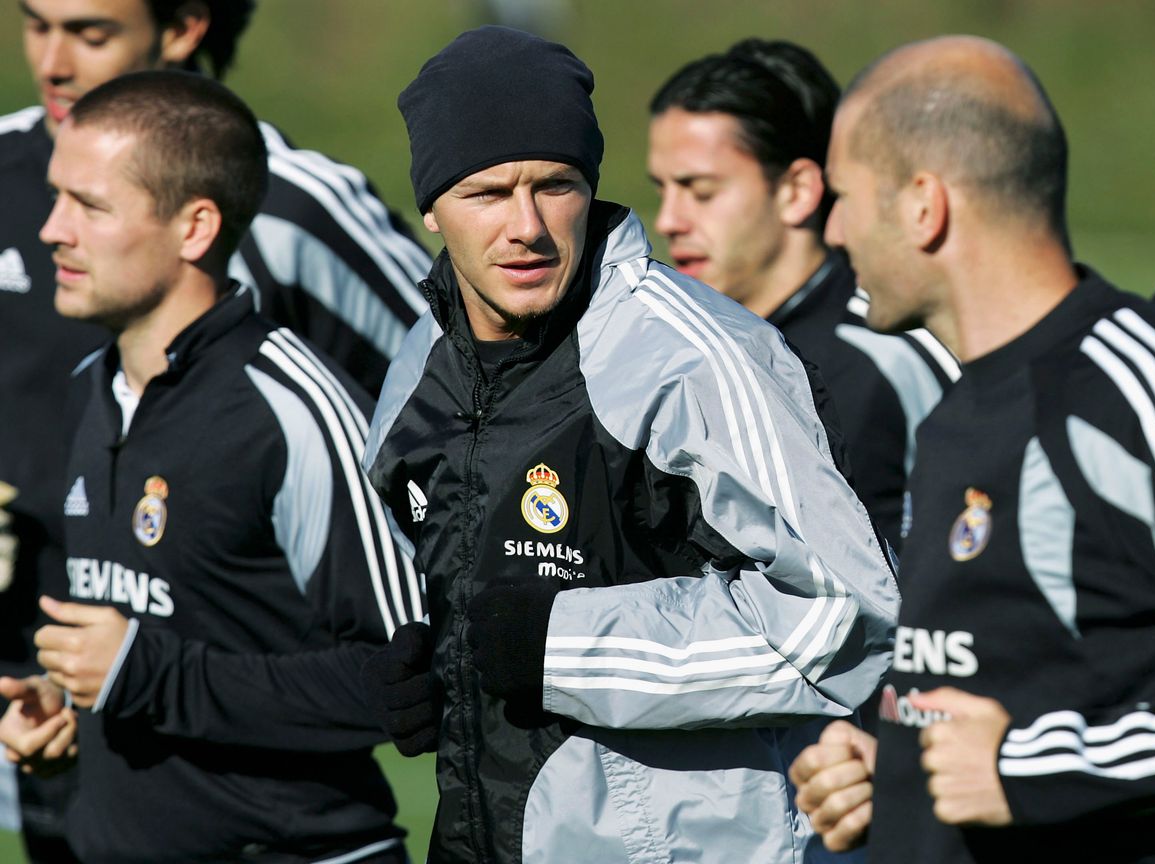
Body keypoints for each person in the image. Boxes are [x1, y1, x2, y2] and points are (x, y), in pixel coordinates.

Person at [360, 25, 900, 864]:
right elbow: (464, 598)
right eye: (487, 194)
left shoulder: (699, 358)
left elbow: (843, 615)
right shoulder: (415, 369)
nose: (527, 226)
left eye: (556, 185)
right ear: (430, 207)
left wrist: (563, 648)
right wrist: (436, 669)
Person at [0, 0, 430, 855]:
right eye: (33, 21)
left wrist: (145, 675)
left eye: (87, 205)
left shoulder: (292, 401)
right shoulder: (103, 387)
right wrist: (78, 700)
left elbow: (407, 677)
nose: (50, 231)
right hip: (94, 776)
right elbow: (149, 624)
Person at [790, 35, 1155, 863]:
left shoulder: (1138, 384)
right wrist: (890, 766)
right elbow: (1004, 683)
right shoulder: (955, 408)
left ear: (923, 205)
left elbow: (1017, 756)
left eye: (842, 195)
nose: (831, 230)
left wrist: (1026, 768)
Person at [648, 39, 958, 550]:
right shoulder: (674, 347)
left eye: (701, 191)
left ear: (796, 191)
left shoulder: (885, 356)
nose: (668, 221)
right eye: (662, 189)